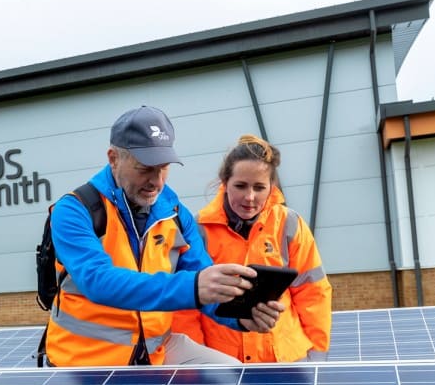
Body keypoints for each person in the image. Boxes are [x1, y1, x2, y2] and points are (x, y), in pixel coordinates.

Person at [45, 106, 284, 367]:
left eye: (163, 168)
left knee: (234, 377)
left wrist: (239, 316)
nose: (157, 181)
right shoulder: (74, 210)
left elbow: (205, 282)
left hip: (155, 350)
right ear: (113, 158)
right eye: (144, 168)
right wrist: (192, 287)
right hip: (84, 361)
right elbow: (97, 281)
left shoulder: (175, 214)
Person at [173, 134, 332, 363]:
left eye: (259, 187)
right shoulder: (198, 230)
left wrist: (318, 358)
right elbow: (186, 306)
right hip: (224, 363)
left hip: (285, 360)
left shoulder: (289, 224)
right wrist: (197, 367)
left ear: (271, 187)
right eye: (240, 186)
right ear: (225, 182)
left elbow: (313, 293)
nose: (249, 197)